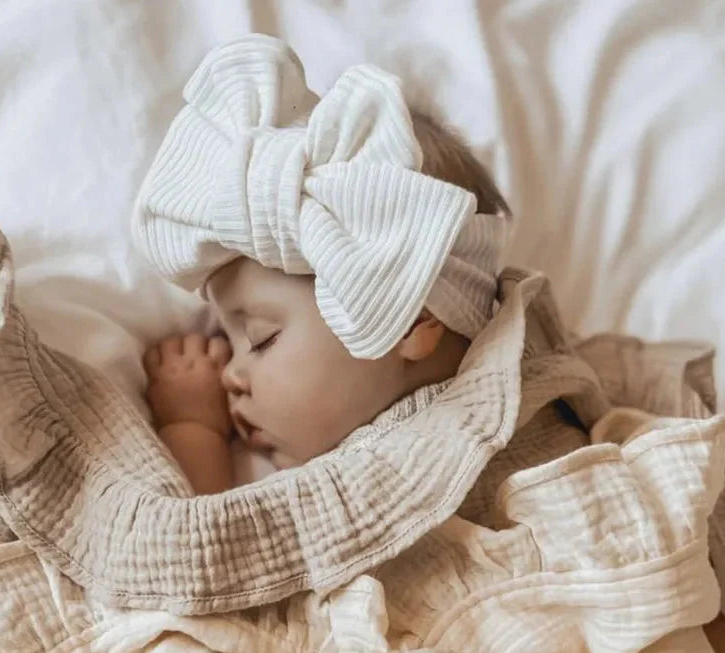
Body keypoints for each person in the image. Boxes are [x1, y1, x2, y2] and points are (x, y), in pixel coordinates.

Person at [133, 34, 510, 494]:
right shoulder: (296, 479)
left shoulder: (550, 387)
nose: (229, 375)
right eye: (231, 343)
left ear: (411, 320)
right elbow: (208, 543)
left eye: (260, 339)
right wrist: (194, 428)